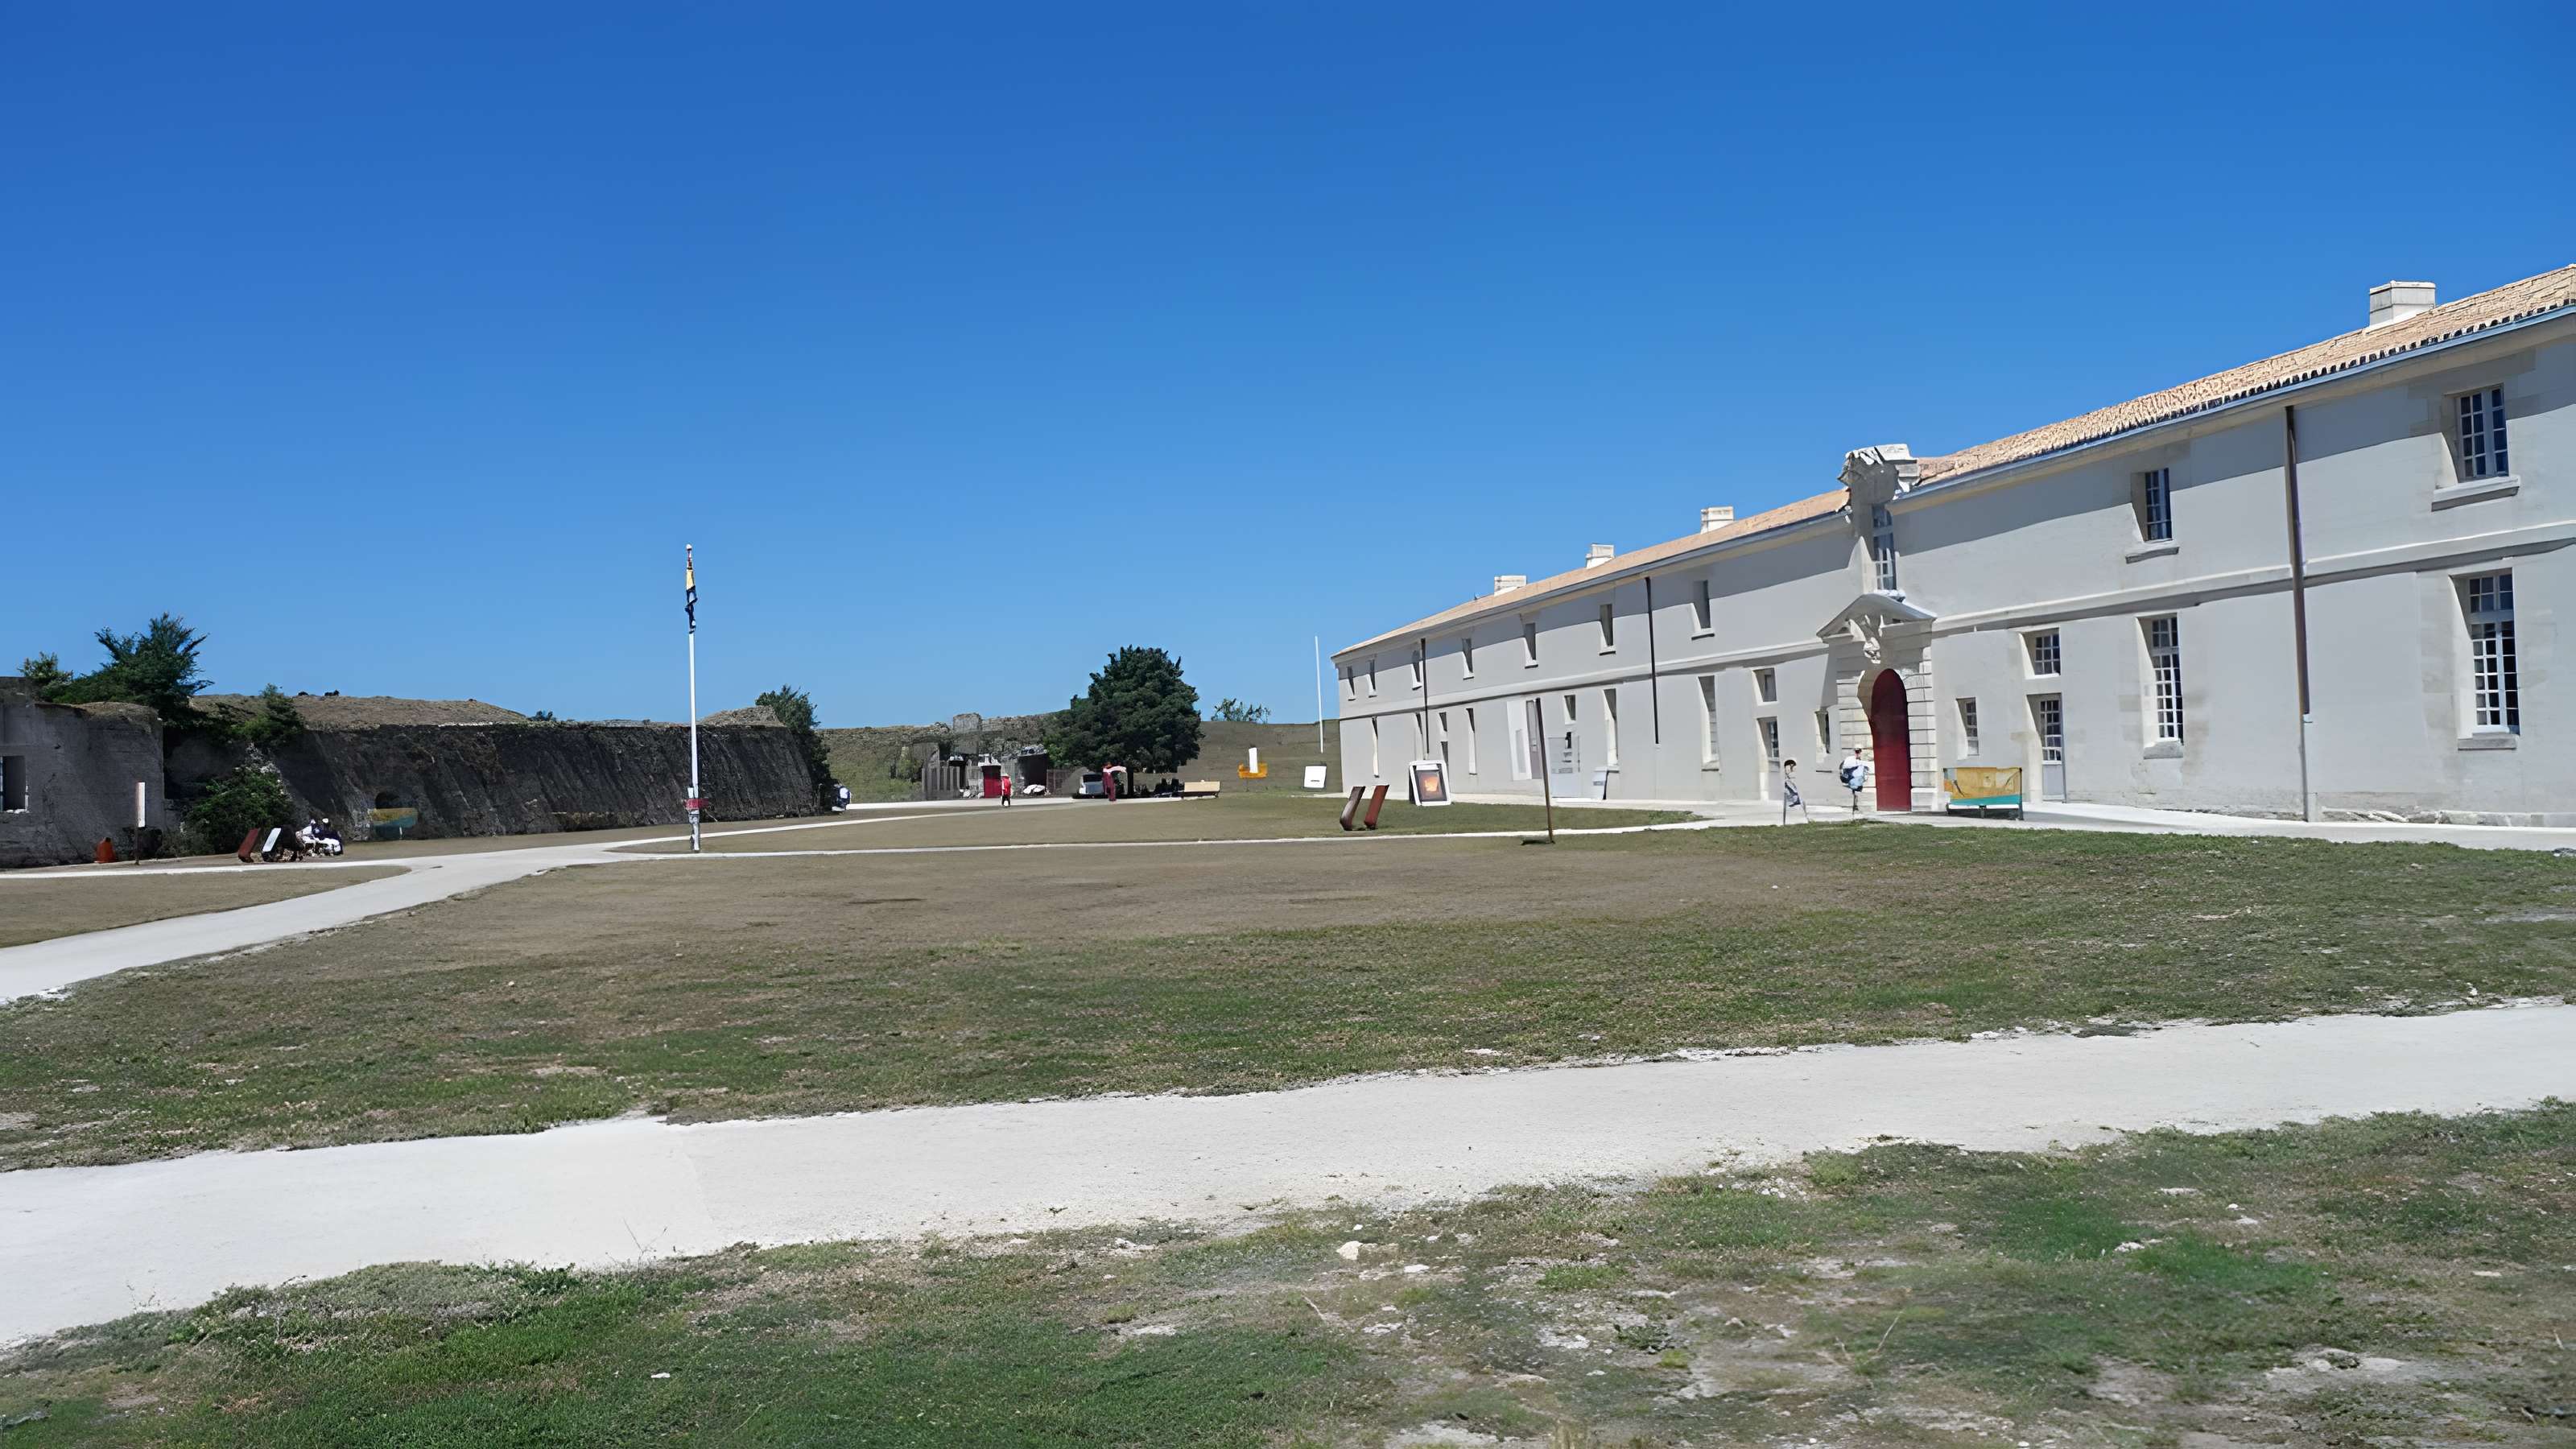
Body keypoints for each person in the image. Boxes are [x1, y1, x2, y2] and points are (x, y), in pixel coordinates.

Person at [1838, 746, 1872, 815]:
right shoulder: (1849, 759)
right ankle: (1854, 806)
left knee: (1856, 793)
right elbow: (1842, 767)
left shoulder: (1862, 760)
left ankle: (1855, 806)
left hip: (1858, 779)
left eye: (1858, 752)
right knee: (1855, 792)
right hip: (1852, 778)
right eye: (1856, 752)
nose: (1857, 753)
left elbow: (1866, 768)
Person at [1780, 758, 1810, 824]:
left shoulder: (1792, 779)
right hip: (1793, 803)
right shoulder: (1788, 780)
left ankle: (1806, 817)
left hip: (1795, 803)